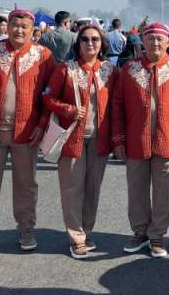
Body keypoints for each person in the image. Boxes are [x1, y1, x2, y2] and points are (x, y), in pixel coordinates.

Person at [111, 22, 169, 258]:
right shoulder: (129, 69)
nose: (155, 43)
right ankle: (140, 232)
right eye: (151, 39)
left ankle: (157, 236)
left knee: (163, 192)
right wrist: (117, 139)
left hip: (167, 139)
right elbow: (117, 106)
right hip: (135, 141)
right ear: (143, 42)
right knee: (136, 190)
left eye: (160, 39)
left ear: (168, 41)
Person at [0, 9, 55, 254]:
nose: (19, 30)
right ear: (6, 27)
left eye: (24, 27)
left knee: (26, 184)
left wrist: (42, 125)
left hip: (26, 134)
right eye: (15, 25)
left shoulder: (44, 55)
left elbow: (50, 96)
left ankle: (26, 228)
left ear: (33, 31)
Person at [42, 23, 119, 259]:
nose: (90, 43)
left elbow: (118, 106)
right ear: (78, 43)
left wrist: (118, 139)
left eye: (95, 39)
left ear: (102, 44)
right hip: (72, 138)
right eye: (85, 39)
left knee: (92, 189)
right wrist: (68, 109)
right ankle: (76, 237)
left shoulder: (110, 71)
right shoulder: (66, 69)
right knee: (72, 188)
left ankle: (87, 231)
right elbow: (47, 97)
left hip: (100, 139)